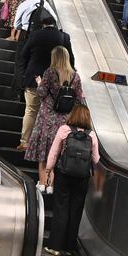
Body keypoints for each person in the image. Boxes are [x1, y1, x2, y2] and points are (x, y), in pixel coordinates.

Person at [25, 46, 85, 191]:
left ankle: (42, 182)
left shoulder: (50, 72)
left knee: (44, 150)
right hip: (64, 120)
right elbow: (79, 100)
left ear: (55, 58)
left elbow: (41, 92)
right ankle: (52, 184)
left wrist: (39, 83)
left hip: (47, 116)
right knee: (57, 151)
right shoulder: (75, 76)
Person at [43, 103, 99, 256]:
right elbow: (96, 159)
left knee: (61, 209)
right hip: (82, 177)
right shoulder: (92, 135)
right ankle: (68, 248)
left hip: (64, 174)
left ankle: (54, 246)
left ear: (73, 114)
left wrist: (48, 169)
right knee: (76, 211)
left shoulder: (64, 130)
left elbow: (54, 152)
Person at [17, 16, 74, 153]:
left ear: (43, 25)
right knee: (52, 114)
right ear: (55, 24)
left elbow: (23, 54)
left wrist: (24, 74)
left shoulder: (35, 35)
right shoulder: (63, 37)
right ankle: (48, 146)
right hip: (57, 83)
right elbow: (71, 59)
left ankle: (25, 142)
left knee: (31, 111)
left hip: (34, 79)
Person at [11, 0, 58, 96]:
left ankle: (17, 92)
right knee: (33, 64)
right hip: (40, 38)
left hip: (25, 36)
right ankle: (29, 92)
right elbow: (54, 19)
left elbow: (16, 24)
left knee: (20, 63)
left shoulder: (24, 4)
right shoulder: (44, 3)